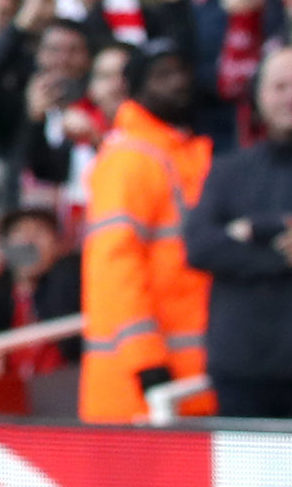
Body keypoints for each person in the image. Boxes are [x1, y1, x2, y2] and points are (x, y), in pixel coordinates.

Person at [181, 44, 292, 420]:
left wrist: (252, 229)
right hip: (238, 370)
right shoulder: (229, 170)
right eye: (280, 87)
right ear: (259, 98)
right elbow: (199, 246)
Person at [79, 45, 215, 421]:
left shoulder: (188, 153)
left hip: (190, 384)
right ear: (136, 87)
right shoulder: (130, 159)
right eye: (163, 75)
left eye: (183, 71)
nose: (179, 82)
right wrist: (146, 362)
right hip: (141, 392)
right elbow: (115, 269)